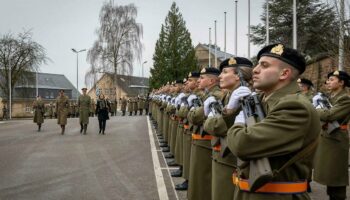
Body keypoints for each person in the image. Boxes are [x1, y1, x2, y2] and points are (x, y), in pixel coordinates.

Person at [227, 43, 321, 199]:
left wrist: (239, 122)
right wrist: (229, 110)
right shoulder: (262, 101)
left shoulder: (295, 107)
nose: (255, 70)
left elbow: (242, 144)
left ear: (284, 73)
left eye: (264, 66)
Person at [203, 57, 253, 200]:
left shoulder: (244, 97)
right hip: (223, 155)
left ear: (238, 76)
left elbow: (216, 126)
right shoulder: (230, 95)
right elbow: (209, 125)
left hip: (231, 159)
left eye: (225, 72)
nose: (220, 76)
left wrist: (215, 118)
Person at [313, 70, 350, 200]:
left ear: (341, 83)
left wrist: (316, 108)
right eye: (328, 79)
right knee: (330, 175)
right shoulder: (331, 97)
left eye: (332, 79)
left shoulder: (344, 98)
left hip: (337, 139)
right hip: (329, 137)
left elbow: (330, 115)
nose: (328, 82)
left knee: (337, 176)